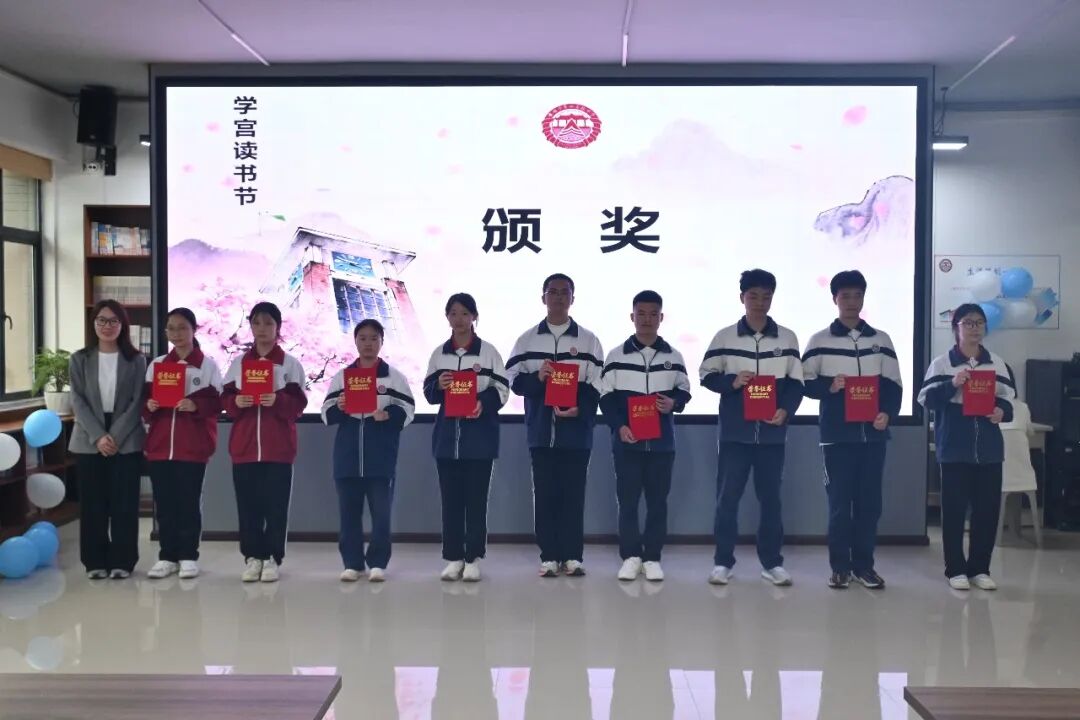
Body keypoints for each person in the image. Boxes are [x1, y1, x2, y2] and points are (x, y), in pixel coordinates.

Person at [700, 269, 803, 587]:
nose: (760, 302)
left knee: (771, 501)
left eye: (766, 296)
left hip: (772, 435)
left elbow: (796, 383)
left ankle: (772, 563)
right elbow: (706, 375)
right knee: (727, 499)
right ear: (742, 298)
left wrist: (785, 410)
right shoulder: (725, 337)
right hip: (735, 435)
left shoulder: (787, 338)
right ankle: (722, 562)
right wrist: (732, 381)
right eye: (753, 296)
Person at [802, 271, 902, 590]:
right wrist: (829, 386)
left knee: (870, 506)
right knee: (839, 505)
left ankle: (864, 566)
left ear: (863, 298)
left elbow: (893, 385)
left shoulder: (881, 340)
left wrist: (887, 414)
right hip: (836, 438)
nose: (851, 302)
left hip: (873, 436)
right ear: (835, 299)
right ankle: (840, 568)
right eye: (845, 296)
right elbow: (804, 383)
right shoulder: (819, 341)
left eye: (857, 295)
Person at [506, 273, 604, 577]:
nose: (559, 297)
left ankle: (572, 556)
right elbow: (513, 381)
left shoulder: (589, 340)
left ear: (573, 298)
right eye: (553, 292)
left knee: (574, 495)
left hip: (576, 433)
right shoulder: (527, 340)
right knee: (545, 495)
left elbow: (598, 384)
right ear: (543, 297)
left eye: (565, 292)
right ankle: (548, 556)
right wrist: (538, 378)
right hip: (540, 432)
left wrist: (580, 409)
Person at [918, 303, 1014, 591]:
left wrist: (1002, 411)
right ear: (956, 327)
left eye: (979, 323)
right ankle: (955, 569)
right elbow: (926, 400)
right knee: (954, 512)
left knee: (987, 512)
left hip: (989, 449)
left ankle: (980, 569)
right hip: (954, 448)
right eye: (968, 323)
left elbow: (1010, 400)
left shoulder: (997, 363)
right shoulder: (942, 364)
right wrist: (952, 384)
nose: (975, 328)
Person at [600, 290, 691, 583]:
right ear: (632, 317)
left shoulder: (673, 356)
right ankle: (630, 556)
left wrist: (674, 403)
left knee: (657, 503)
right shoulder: (616, 356)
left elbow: (684, 390)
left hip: (662, 445)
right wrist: (619, 427)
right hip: (627, 443)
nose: (647, 319)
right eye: (641, 314)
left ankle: (652, 557)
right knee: (627, 502)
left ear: (661, 317)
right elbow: (606, 398)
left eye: (653, 314)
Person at [321, 319, 415, 583]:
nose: (368, 343)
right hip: (347, 457)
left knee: (381, 515)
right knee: (348, 514)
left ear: (382, 342)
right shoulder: (342, 377)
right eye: (362, 338)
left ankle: (377, 563)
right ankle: (352, 563)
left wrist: (388, 414)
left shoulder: (393, 377)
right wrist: (340, 407)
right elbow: (326, 414)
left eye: (374, 338)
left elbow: (408, 410)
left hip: (381, 457)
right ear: (355, 341)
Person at [422, 293, 508, 582]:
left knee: (476, 501)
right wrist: (439, 384)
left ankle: (473, 558)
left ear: (474, 317)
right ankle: (453, 557)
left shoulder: (489, 352)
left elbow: (502, 389)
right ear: (447, 317)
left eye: (464, 313)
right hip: (447, 440)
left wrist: (483, 402)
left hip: (479, 440)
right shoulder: (439, 354)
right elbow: (429, 394)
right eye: (453, 314)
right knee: (451, 502)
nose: (459, 319)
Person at [222, 302, 307, 583]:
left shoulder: (289, 364)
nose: (262, 329)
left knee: (276, 507)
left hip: (278, 449)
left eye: (268, 323)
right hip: (244, 448)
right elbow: (225, 400)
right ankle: (252, 557)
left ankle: (272, 557)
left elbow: (298, 405)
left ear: (278, 327)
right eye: (256, 323)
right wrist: (236, 401)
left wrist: (278, 400)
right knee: (248, 507)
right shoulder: (238, 364)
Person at [68, 300, 147, 580]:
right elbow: (77, 399)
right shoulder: (79, 358)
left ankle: (123, 560)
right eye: (101, 320)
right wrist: (99, 436)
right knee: (93, 504)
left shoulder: (136, 360)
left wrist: (115, 435)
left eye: (114, 321)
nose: (107, 326)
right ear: (93, 323)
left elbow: (138, 401)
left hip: (126, 436)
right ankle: (94, 561)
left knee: (125, 503)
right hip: (89, 436)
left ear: (123, 325)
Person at [143, 308, 224, 580]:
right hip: (160, 446)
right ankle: (167, 556)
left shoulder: (207, 366)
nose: (176, 334)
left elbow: (218, 403)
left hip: (193, 446)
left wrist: (195, 404)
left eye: (182, 328)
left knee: (188, 503)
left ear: (194, 330)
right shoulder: (157, 366)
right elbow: (143, 403)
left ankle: (188, 556)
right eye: (171, 328)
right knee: (164, 504)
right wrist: (149, 405)